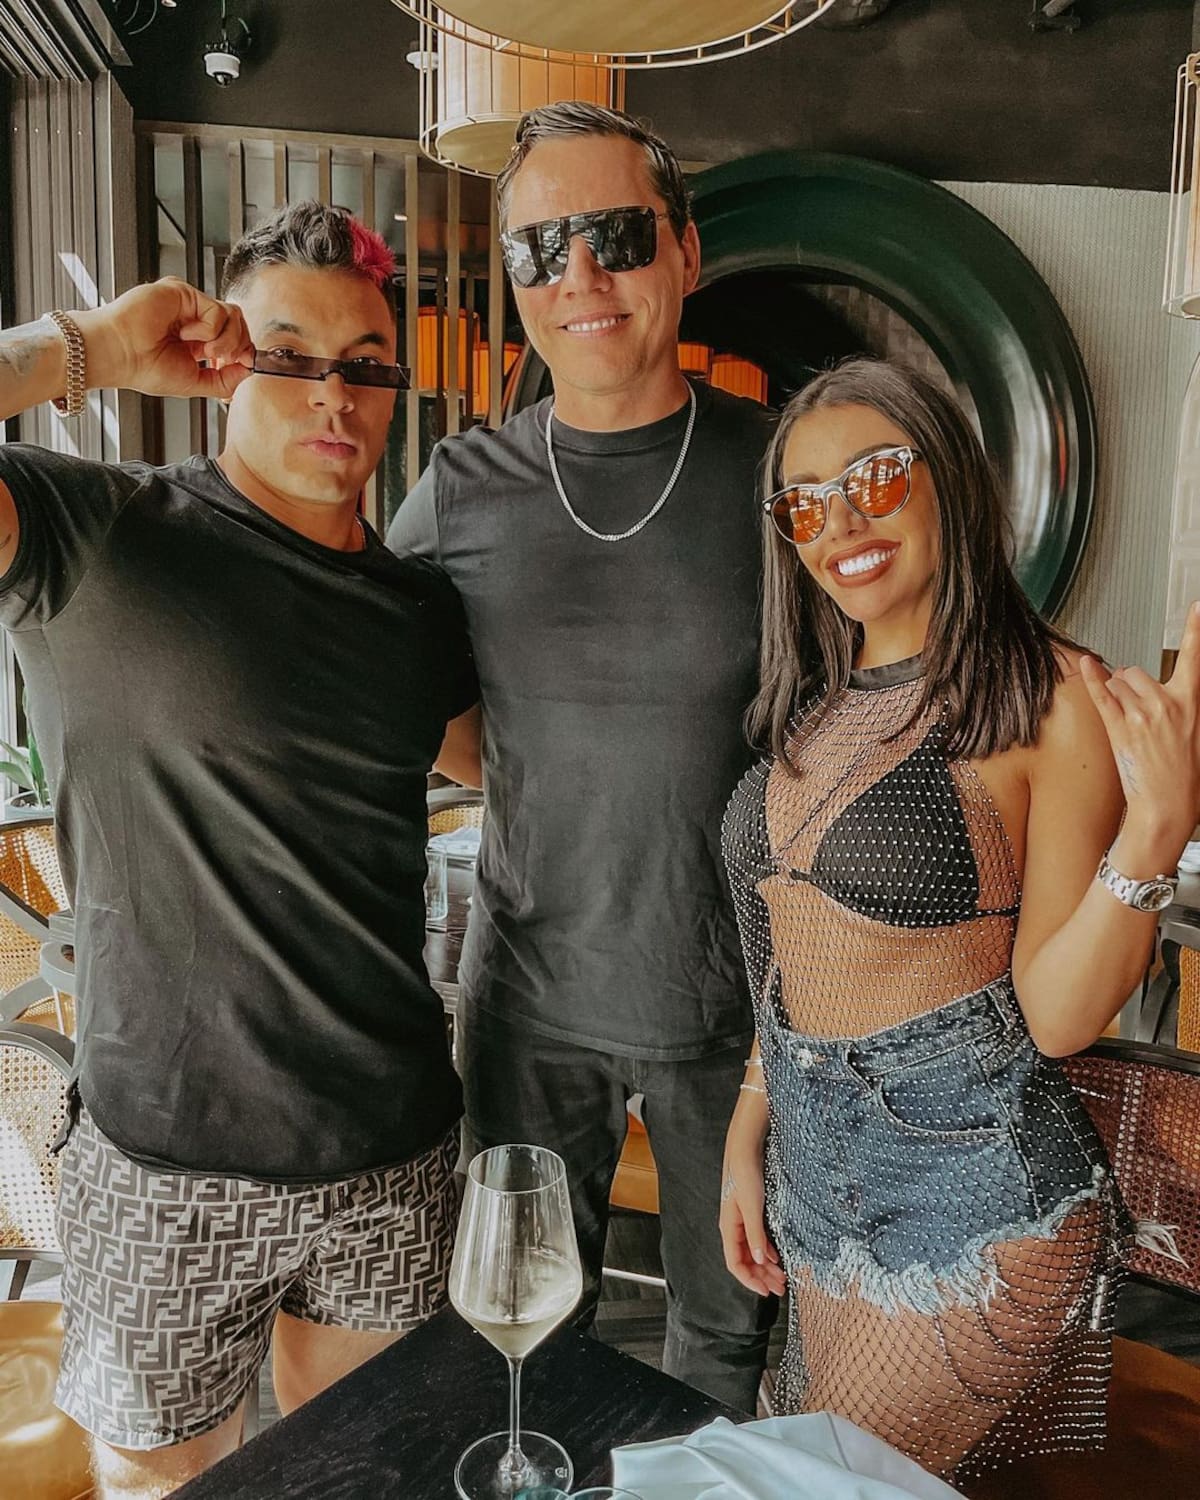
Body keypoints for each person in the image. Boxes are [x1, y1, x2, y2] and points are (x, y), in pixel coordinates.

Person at [0, 202, 477, 1498]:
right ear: (219, 364)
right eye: (289, 353)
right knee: (167, 1489)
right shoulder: (97, 533)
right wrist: (93, 348)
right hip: (163, 1163)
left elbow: (511, 767)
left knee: (370, 1478)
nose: (334, 392)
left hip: (388, 1147)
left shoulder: (419, 609)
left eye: (366, 361)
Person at [719, 356, 1199, 1481]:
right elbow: (792, 949)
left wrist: (1156, 830)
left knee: (826, 1482)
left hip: (973, 1201)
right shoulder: (819, 700)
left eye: (876, 478)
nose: (842, 523)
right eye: (806, 504)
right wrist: (749, 1128)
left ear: (950, 478)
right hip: (814, 1187)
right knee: (821, 1466)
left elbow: (1057, 1017)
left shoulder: (1049, 695)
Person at [387, 102, 776, 1411]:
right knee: (520, 1338)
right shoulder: (464, 485)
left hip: (733, 1012)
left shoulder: (778, 471)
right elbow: (385, 677)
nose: (582, 275)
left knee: (725, 1345)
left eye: (617, 235)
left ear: (684, 249)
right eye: (542, 248)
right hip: (529, 997)